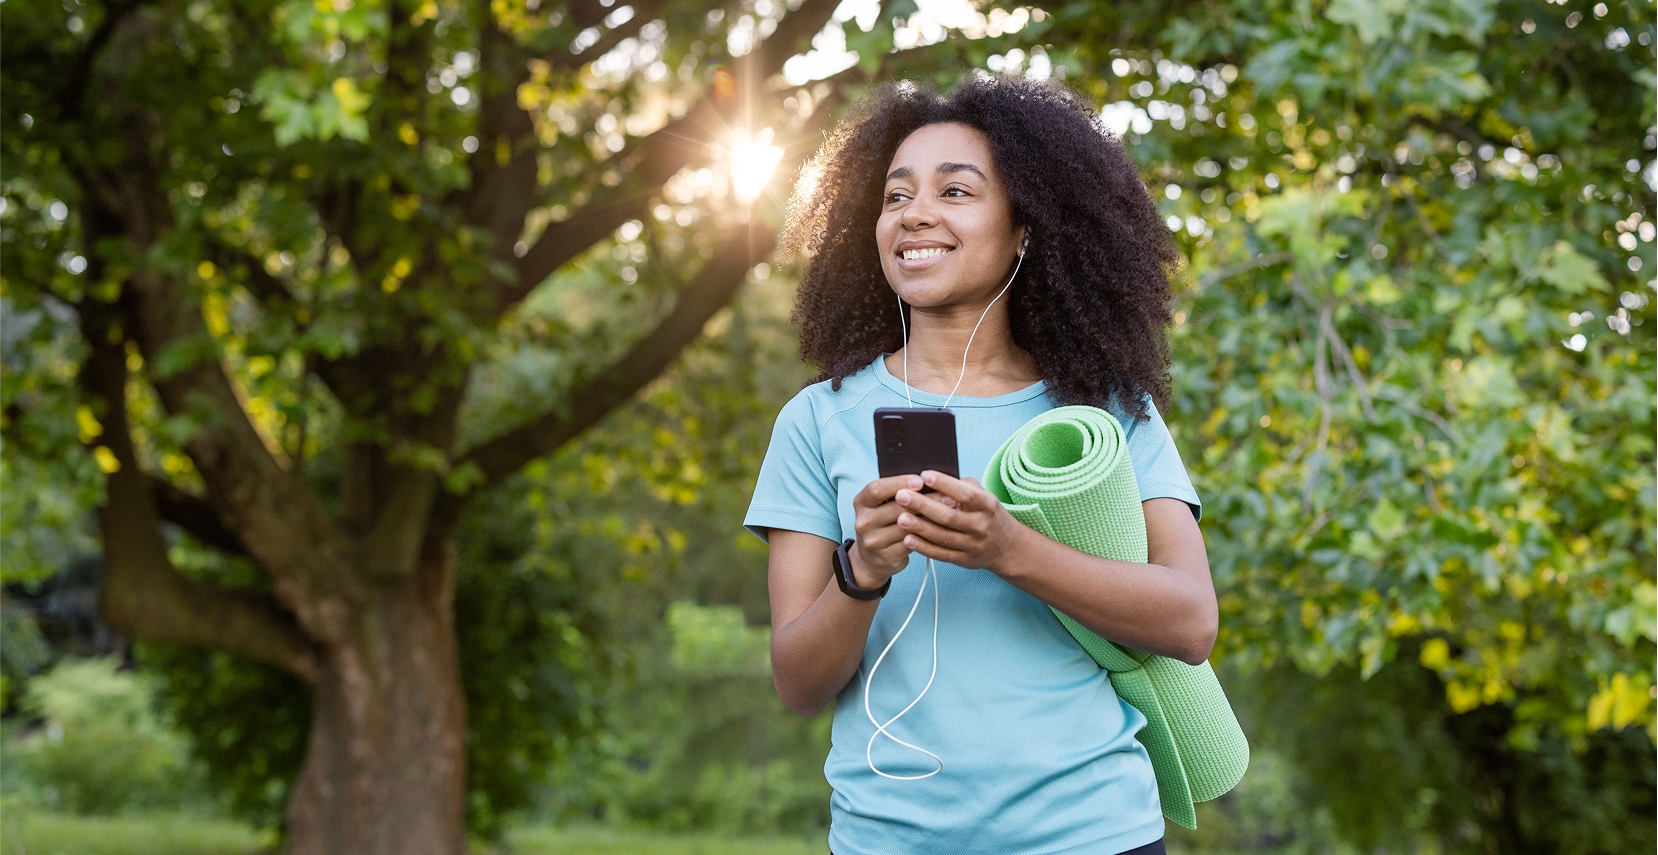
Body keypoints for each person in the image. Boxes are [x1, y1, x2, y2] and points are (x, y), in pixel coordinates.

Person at [744, 74, 1217, 855]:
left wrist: (1009, 550)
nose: (916, 213)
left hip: (1092, 835)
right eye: (895, 197)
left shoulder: (1105, 408)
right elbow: (798, 682)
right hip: (890, 840)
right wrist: (863, 568)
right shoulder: (816, 420)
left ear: (1023, 228)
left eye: (956, 191)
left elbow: (1191, 620)